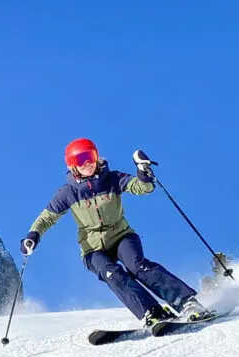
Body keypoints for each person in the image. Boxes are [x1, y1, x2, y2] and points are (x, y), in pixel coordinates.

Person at [20, 138, 211, 328]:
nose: (87, 163)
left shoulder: (112, 179)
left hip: (121, 236)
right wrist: (33, 236)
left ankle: (186, 302)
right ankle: (151, 312)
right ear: (72, 166)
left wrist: (143, 174)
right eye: (81, 160)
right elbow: (46, 218)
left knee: (137, 265)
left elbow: (141, 187)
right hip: (92, 249)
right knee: (111, 273)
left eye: (90, 156)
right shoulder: (68, 193)